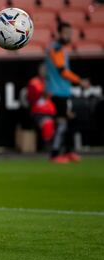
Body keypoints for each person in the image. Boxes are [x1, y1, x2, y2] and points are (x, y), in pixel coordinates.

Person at [45, 21, 90, 163]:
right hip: (56, 91)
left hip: (64, 91)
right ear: (58, 33)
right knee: (62, 122)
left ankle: (69, 151)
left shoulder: (61, 48)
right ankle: (55, 154)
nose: (68, 36)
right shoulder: (56, 48)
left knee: (69, 120)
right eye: (65, 33)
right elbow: (62, 70)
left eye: (70, 33)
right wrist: (80, 80)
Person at [26, 62, 56, 149]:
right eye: (43, 69)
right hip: (39, 112)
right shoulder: (34, 82)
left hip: (51, 111)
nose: (44, 71)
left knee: (61, 124)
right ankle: (47, 148)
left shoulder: (51, 81)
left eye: (46, 69)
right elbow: (33, 96)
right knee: (47, 123)